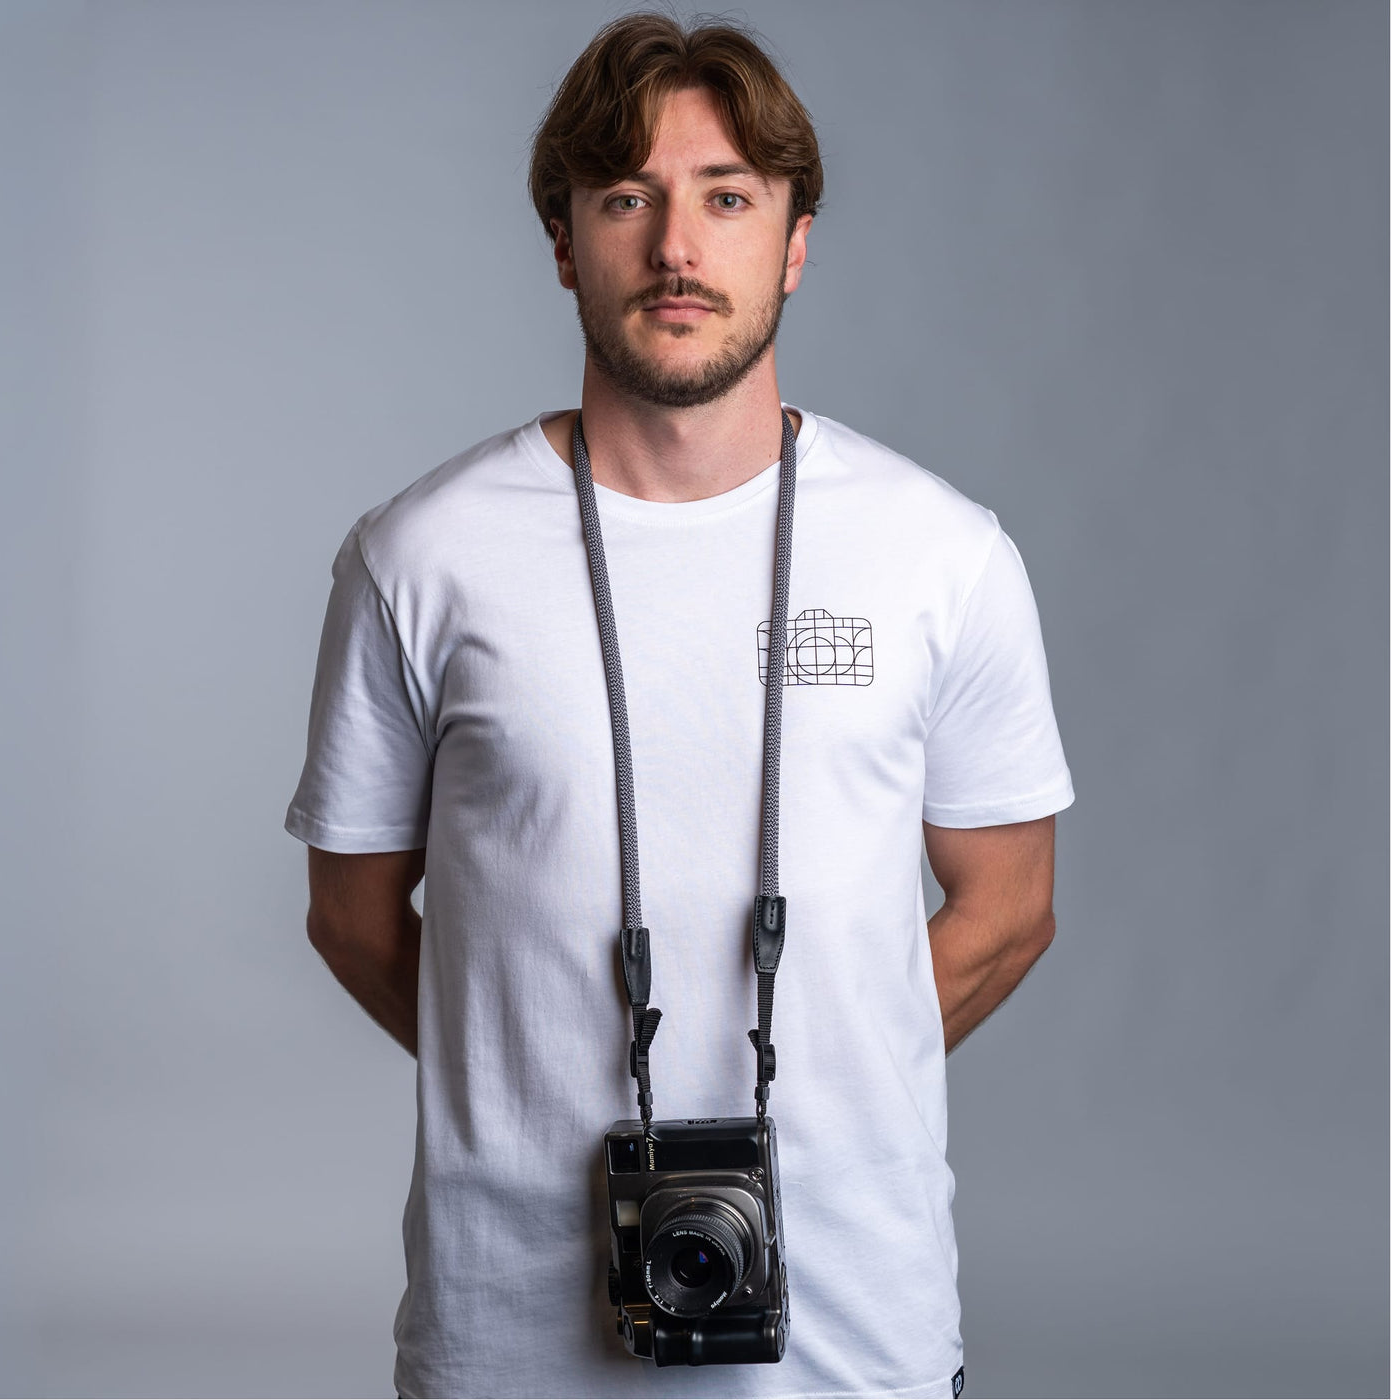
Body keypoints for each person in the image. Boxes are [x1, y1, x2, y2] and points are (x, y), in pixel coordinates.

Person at [283, 13, 1075, 1399]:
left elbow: (1009, 911)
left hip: (856, 1343)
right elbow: (352, 920)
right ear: (563, 237)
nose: (675, 247)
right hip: (510, 1339)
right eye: (626, 197)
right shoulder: (420, 557)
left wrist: (836, 1066)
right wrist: (525, 1080)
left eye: (726, 196)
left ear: (796, 238)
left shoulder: (944, 556)